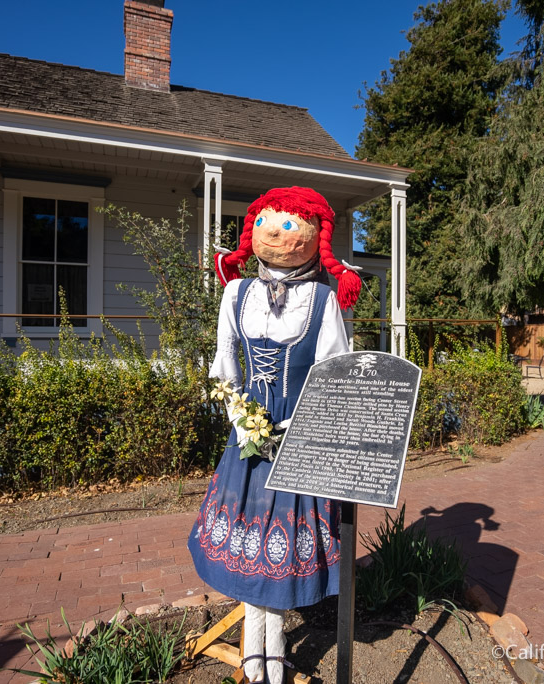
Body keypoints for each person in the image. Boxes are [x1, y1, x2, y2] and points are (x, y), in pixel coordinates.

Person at [188, 186, 361, 683]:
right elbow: (224, 367)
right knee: (249, 538)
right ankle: (253, 651)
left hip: (297, 433)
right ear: (253, 229)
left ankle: (274, 650)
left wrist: (301, 428)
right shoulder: (235, 293)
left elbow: (335, 374)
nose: (278, 231)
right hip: (246, 431)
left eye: (292, 224)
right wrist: (240, 418)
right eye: (269, 221)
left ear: (314, 235)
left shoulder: (324, 300)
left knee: (278, 546)